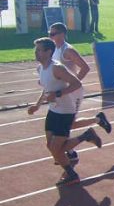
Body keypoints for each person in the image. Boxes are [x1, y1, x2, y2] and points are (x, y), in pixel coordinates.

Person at [28, 38, 103, 186]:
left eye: (39, 50)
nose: (35, 53)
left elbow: (77, 83)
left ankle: (72, 174)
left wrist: (57, 94)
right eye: (35, 50)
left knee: (56, 149)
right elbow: (46, 89)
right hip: (53, 111)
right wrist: (37, 105)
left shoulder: (57, 68)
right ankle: (87, 135)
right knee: (51, 147)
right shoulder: (40, 68)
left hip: (65, 112)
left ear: (49, 52)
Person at [49, 22, 111, 164]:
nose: (51, 37)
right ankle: (71, 150)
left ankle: (71, 151)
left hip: (73, 93)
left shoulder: (68, 50)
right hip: (62, 92)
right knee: (65, 123)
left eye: (53, 34)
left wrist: (74, 84)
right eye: (50, 34)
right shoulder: (54, 49)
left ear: (62, 34)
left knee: (67, 124)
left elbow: (85, 67)